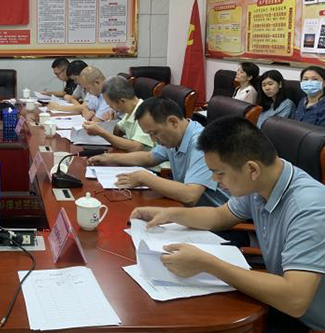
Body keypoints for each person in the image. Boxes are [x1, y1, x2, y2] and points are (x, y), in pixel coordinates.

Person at [131, 116, 325, 332]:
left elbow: (296, 300)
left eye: (219, 172)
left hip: (306, 320)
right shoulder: (261, 183)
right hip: (278, 299)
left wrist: (208, 264)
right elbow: (220, 215)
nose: (214, 180)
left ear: (252, 169)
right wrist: (170, 214)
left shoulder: (309, 208)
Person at [89, 97, 228, 207]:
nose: (153, 140)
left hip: (218, 222)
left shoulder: (201, 143)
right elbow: (149, 157)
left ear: (173, 122)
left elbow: (190, 195)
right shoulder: (175, 137)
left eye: (154, 133)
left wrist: (144, 178)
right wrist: (109, 157)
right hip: (188, 209)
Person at [82, 76, 154, 152]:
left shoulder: (145, 114)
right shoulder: (129, 111)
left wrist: (101, 132)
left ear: (121, 101)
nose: (110, 107)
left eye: (109, 104)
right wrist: (111, 122)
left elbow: (136, 147)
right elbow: (119, 131)